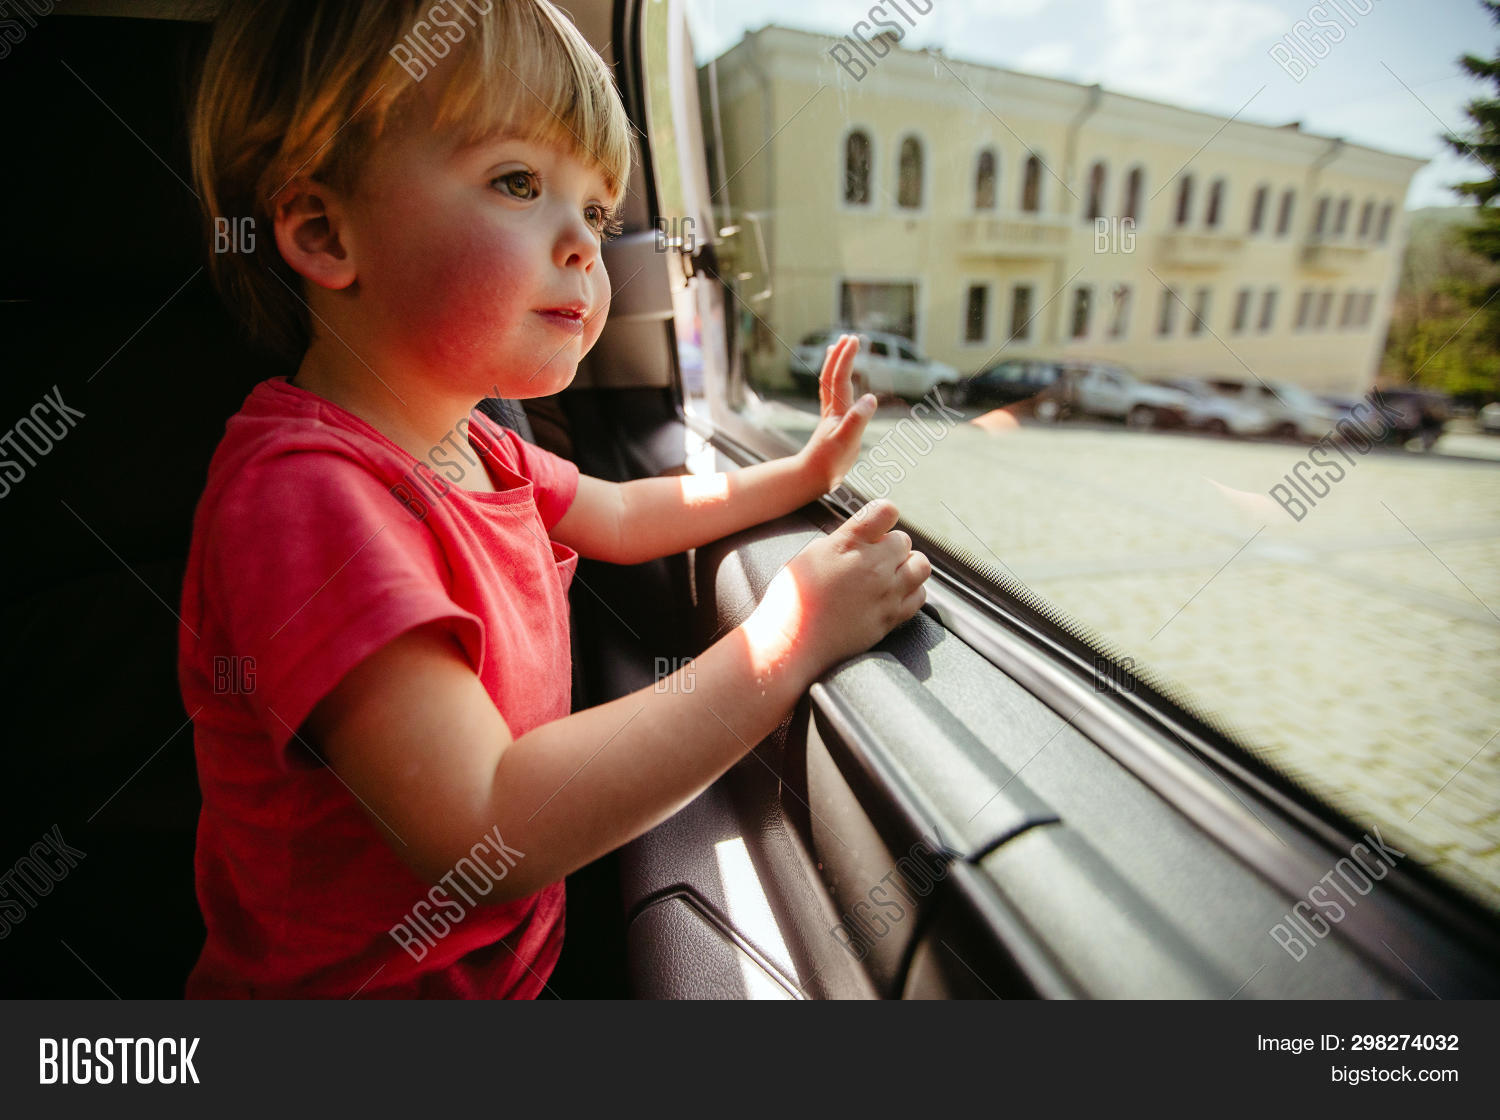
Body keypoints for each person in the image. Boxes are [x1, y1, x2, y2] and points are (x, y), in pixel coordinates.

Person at [178, 0, 929, 998]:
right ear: (325, 230)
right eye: (518, 181)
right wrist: (785, 638)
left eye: (598, 211)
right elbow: (483, 820)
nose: (583, 243)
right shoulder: (304, 497)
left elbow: (625, 513)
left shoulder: (477, 443)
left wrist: (801, 474)